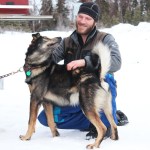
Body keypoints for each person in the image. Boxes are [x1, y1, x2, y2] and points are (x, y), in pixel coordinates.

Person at [38, 2, 128, 140]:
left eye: (88, 18)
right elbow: (50, 61)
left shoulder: (105, 38)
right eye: (80, 16)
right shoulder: (67, 42)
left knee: (107, 78)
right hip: (74, 91)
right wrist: (38, 54)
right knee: (45, 118)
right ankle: (93, 117)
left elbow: (116, 62)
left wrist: (85, 62)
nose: (82, 21)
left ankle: (104, 121)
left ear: (95, 21)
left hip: (97, 88)